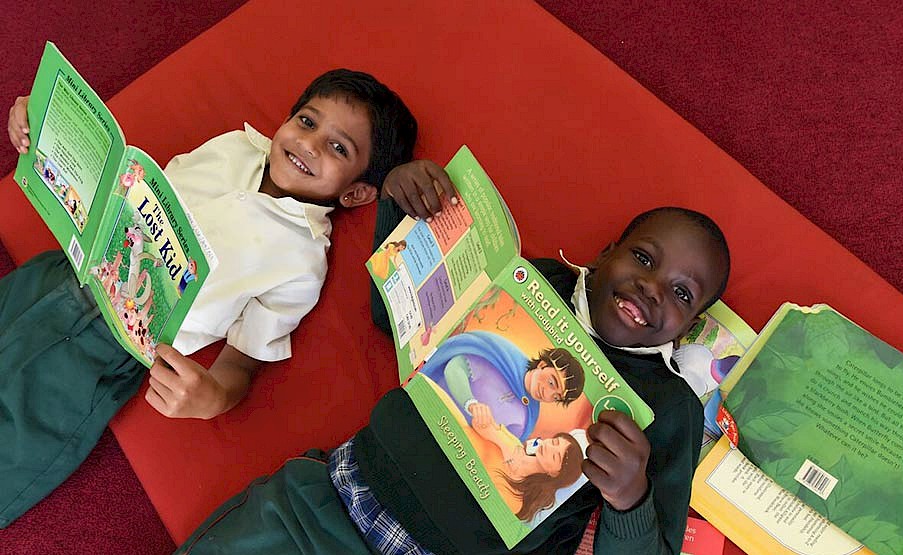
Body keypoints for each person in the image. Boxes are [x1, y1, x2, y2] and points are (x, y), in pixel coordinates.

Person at [176, 159, 731, 555]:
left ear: (691, 326)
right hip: (330, 503)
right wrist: (400, 201)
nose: (653, 287)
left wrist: (629, 498)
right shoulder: (533, 279)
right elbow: (391, 316)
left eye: (683, 293)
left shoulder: (668, 406)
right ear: (606, 253)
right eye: (643, 257)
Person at [0, 69, 417, 528]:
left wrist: (211, 397)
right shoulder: (234, 146)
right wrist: (45, 129)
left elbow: (243, 363)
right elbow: (128, 190)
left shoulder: (303, 260)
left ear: (356, 192)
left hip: (105, 353)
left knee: (15, 449)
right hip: (62, 269)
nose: (310, 144)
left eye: (339, 148)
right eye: (306, 121)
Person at [423, 332, 586, 440]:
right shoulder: (503, 357)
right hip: (426, 409)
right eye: (552, 382)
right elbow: (454, 368)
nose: (547, 393)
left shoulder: (527, 418)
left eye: (556, 396)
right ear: (542, 365)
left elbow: (499, 448)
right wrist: (470, 403)